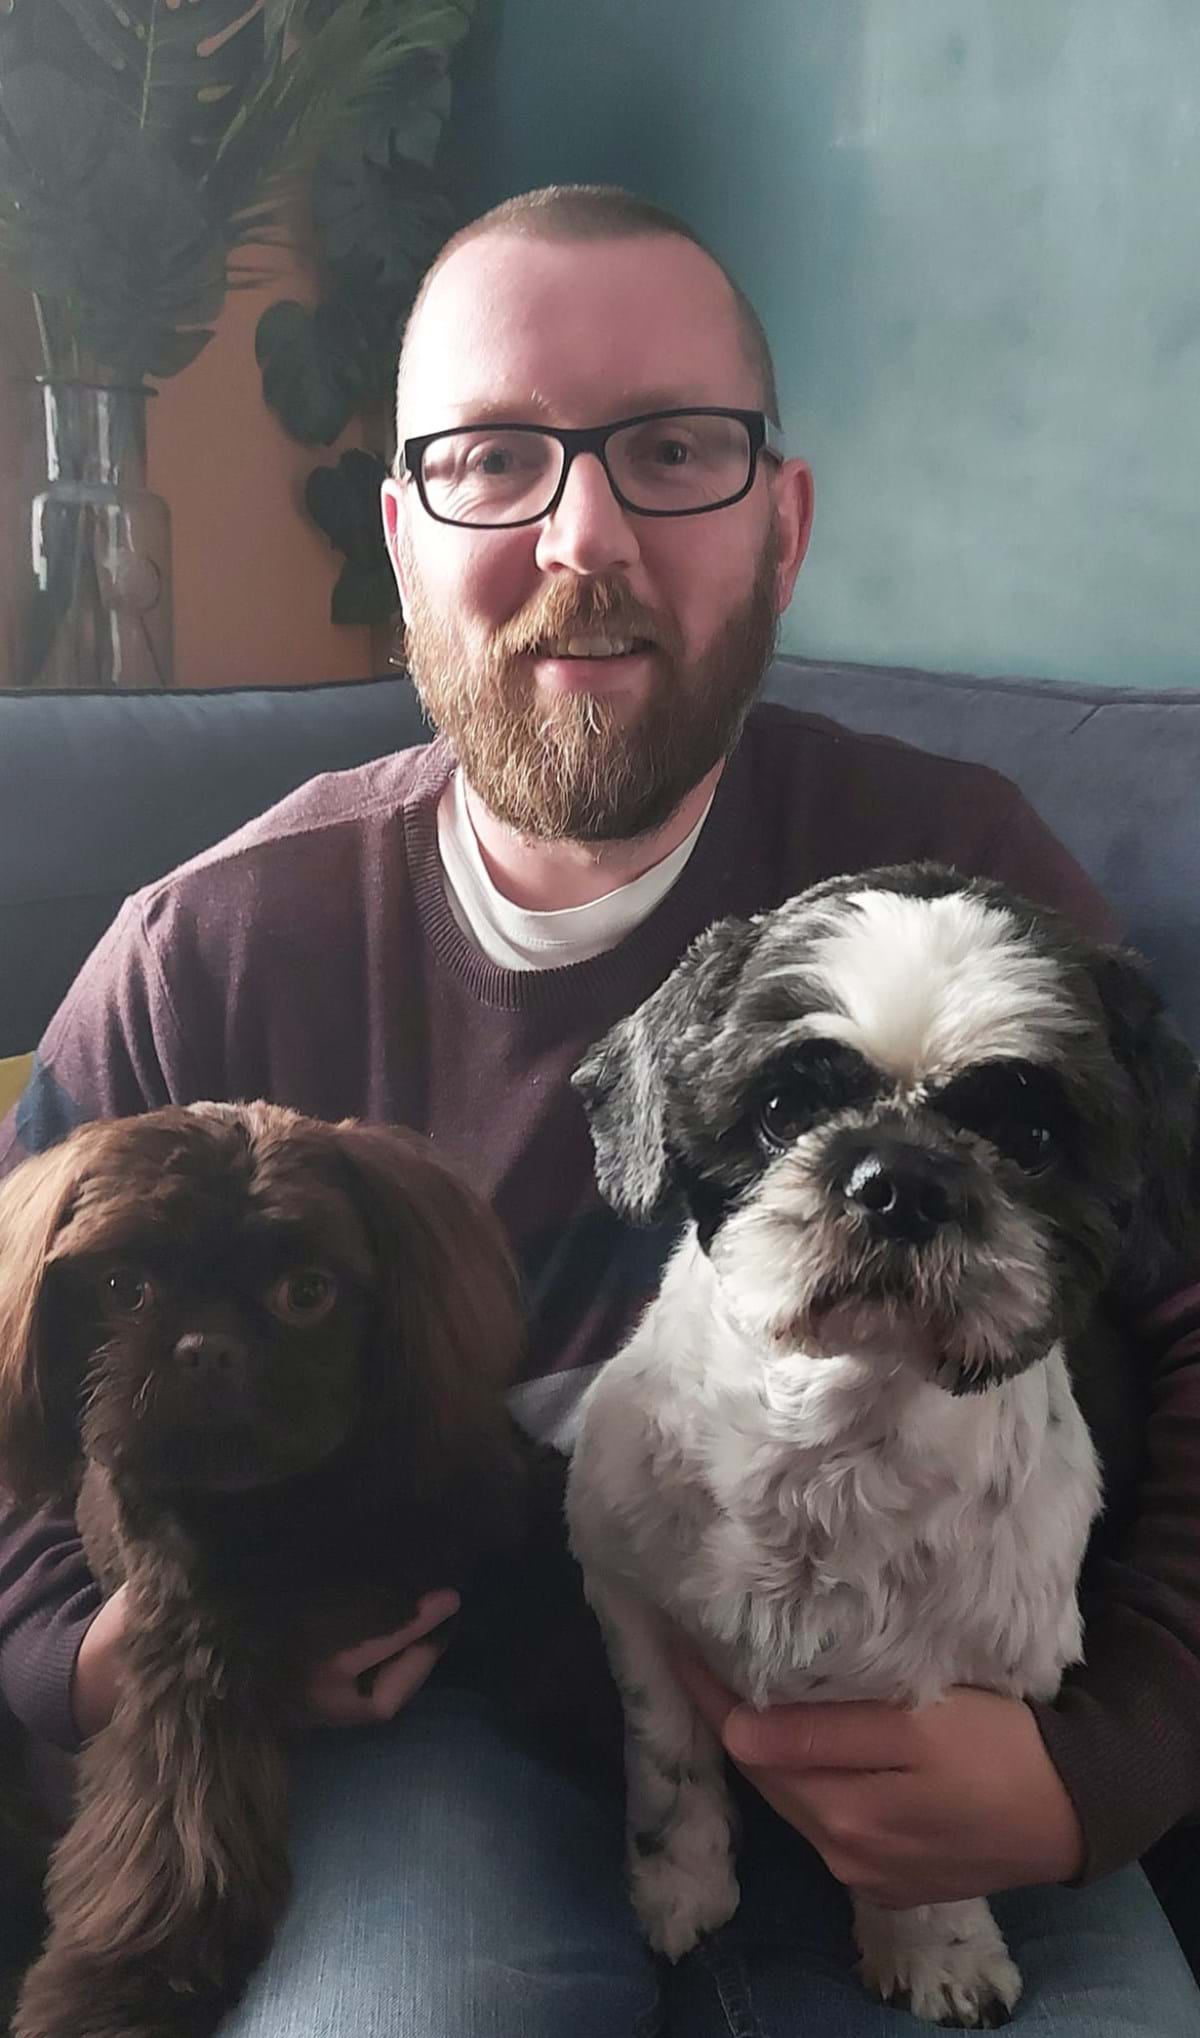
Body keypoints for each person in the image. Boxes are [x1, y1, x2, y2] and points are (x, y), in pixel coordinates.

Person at [1, 185, 1197, 2037]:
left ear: (781, 524)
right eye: (492, 458)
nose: (587, 529)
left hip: (954, 1718)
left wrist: (1105, 1761)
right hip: (436, 1748)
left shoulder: (970, 880)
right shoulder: (202, 955)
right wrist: (97, 1652)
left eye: (673, 449)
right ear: (401, 533)